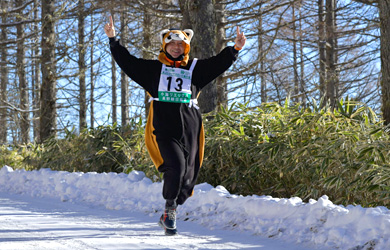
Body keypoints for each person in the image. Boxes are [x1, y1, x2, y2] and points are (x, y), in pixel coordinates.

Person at [104, 16, 246, 236]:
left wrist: (235, 48)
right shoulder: (153, 70)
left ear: (186, 46)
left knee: (188, 177)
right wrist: (113, 39)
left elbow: (218, 64)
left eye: (181, 44)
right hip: (164, 128)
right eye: (172, 44)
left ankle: (172, 206)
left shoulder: (195, 68)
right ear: (165, 46)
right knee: (176, 168)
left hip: (190, 128)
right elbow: (128, 62)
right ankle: (170, 211)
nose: (177, 48)